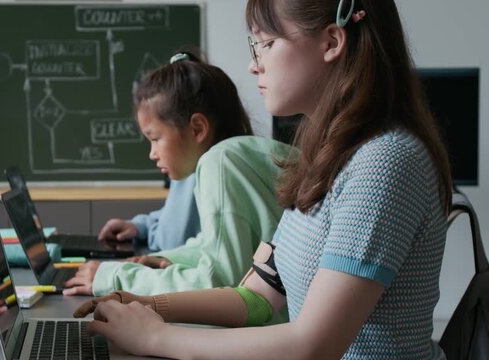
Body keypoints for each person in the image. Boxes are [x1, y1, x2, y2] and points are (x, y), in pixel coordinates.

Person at [74, 0, 453, 359]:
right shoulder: (329, 162)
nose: (255, 65)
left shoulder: (384, 161)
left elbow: (313, 346)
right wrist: (144, 305)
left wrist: (156, 336)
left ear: (332, 42)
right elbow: (257, 296)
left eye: (266, 44)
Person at [63, 52, 292, 300]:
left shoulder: (220, 162)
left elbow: (217, 282)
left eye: (155, 139)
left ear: (197, 128)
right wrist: (165, 259)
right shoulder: (246, 154)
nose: (152, 153)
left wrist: (115, 277)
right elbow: (210, 245)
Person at [97, 172, 200, 252]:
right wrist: (141, 226)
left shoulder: (198, 167)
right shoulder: (186, 164)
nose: (152, 154)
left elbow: (173, 243)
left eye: (157, 143)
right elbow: (173, 215)